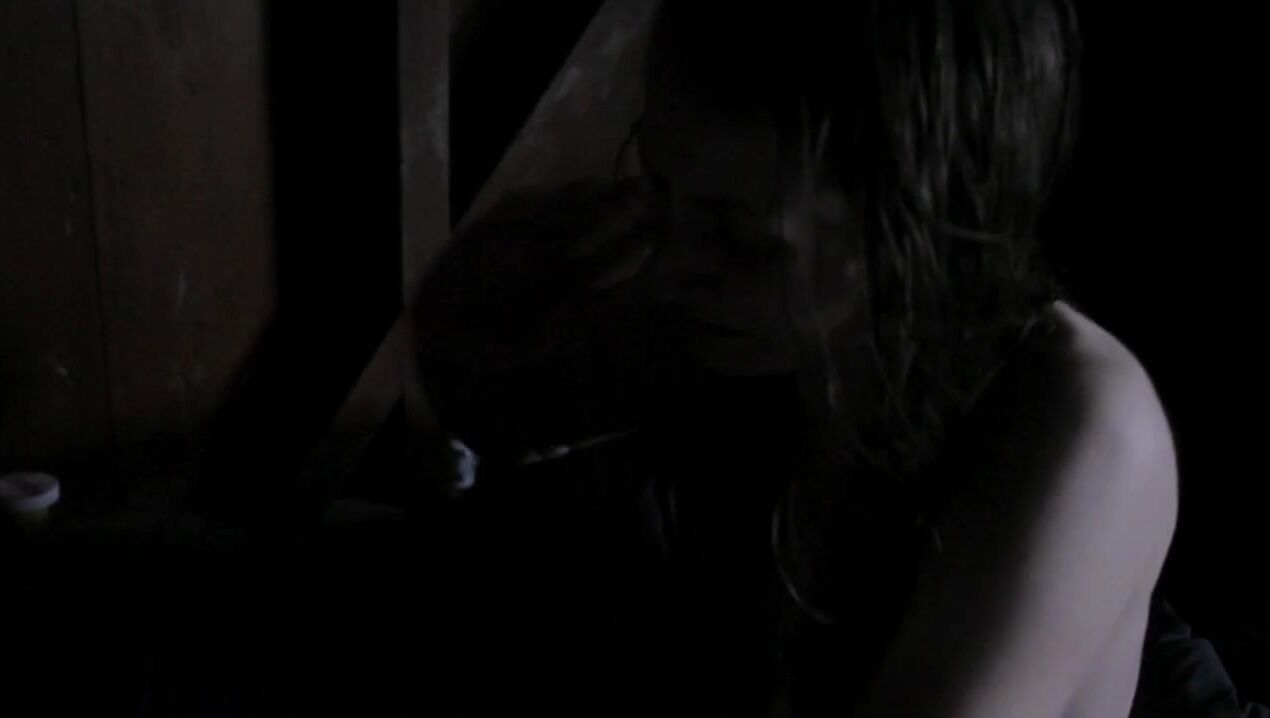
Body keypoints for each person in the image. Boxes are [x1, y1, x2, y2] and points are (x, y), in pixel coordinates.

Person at [414, 2, 1204, 716]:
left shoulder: (1081, 427)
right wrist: (466, 314)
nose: (678, 261)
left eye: (742, 234)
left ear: (916, 214)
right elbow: (498, 411)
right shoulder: (757, 308)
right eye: (659, 185)